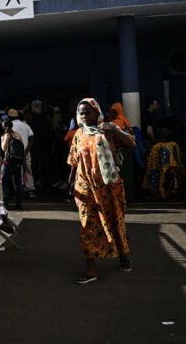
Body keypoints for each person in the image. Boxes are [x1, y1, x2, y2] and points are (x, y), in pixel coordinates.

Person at [68, 98, 135, 284]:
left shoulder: (108, 130)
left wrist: (114, 130)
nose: (84, 116)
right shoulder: (78, 134)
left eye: (88, 112)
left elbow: (132, 145)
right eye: (81, 113)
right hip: (85, 187)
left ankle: (124, 256)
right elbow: (74, 158)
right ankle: (91, 270)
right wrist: (71, 180)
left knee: (115, 221)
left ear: (97, 113)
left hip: (109, 187)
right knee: (88, 226)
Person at [108, 102, 140, 200]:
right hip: (128, 151)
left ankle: (124, 196)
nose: (111, 114)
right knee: (129, 174)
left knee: (122, 174)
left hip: (121, 151)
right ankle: (130, 195)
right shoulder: (124, 120)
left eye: (114, 112)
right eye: (111, 112)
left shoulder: (117, 122)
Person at [0, 119, 27, 209]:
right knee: (19, 183)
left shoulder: (6, 135)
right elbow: (23, 146)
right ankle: (19, 204)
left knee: (5, 182)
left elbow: (4, 148)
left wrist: (3, 139)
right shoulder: (17, 135)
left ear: (3, 127)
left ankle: (6, 203)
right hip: (18, 162)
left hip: (8, 162)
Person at [9, 109, 36, 198]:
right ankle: (30, 190)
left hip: (14, 153)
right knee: (28, 170)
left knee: (14, 171)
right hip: (25, 152)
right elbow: (32, 138)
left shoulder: (9, 126)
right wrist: (27, 150)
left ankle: (18, 191)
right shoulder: (25, 125)